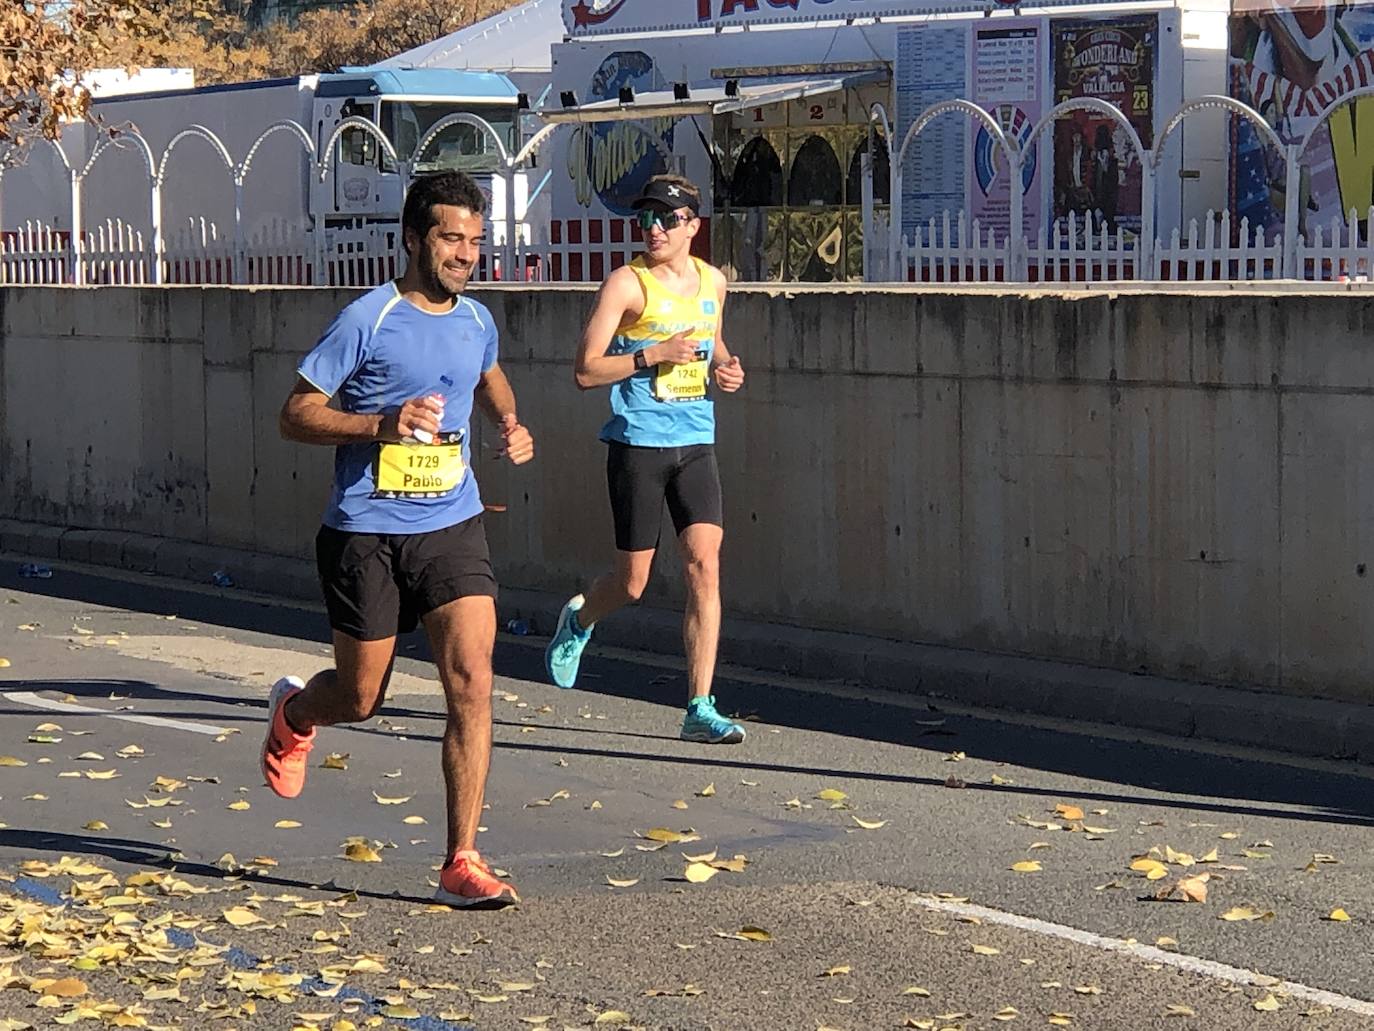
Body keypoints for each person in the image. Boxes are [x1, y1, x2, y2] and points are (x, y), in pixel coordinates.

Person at [264, 171, 534, 907]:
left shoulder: (476, 319)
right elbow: (295, 413)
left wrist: (509, 423)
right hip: (365, 531)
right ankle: (294, 713)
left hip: (452, 522)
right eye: (452, 238)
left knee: (472, 682)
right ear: (413, 237)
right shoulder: (367, 318)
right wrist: (377, 425)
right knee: (359, 696)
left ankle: (461, 860)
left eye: (476, 241)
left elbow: (487, 375)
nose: (466, 254)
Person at [544, 173, 747, 744]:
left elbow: (714, 344)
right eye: (645, 218)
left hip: (695, 442)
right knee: (632, 584)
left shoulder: (713, 282)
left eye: (666, 218)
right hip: (638, 444)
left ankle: (699, 707)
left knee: (704, 566)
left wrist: (727, 369)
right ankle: (580, 619)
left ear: (692, 227)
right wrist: (650, 355)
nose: (653, 228)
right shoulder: (626, 285)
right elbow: (585, 370)